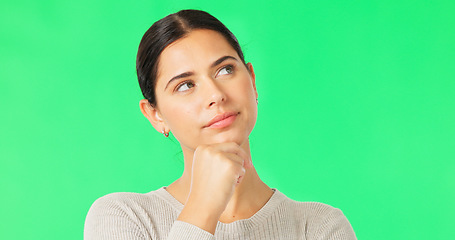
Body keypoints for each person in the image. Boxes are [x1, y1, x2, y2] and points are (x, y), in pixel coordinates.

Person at [84, 9, 357, 240]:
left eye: (225, 70)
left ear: (251, 79)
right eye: (185, 85)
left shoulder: (319, 227)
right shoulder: (122, 217)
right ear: (155, 115)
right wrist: (203, 207)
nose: (215, 95)